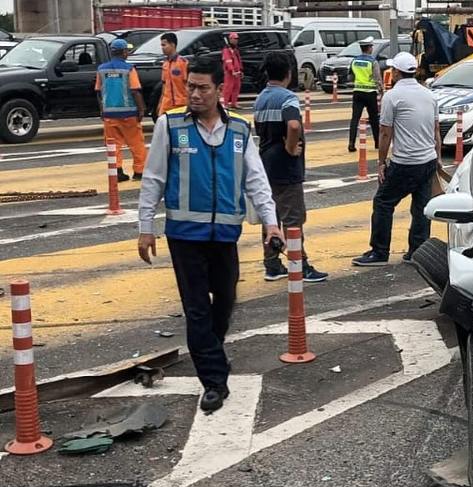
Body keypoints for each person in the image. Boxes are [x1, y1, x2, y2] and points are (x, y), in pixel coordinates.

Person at [137, 57, 283, 413]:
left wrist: (271, 221)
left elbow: (255, 179)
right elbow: (153, 177)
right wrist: (145, 227)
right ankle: (214, 380)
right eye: (191, 86)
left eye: (203, 88)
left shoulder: (238, 129)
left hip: (225, 233)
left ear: (220, 90)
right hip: (184, 234)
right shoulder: (169, 126)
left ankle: (211, 351)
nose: (195, 94)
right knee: (197, 309)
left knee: (227, 299)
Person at [352, 52, 440, 266]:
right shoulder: (429, 95)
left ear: (397, 73)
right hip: (427, 159)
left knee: (383, 202)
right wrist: (436, 160)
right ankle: (417, 251)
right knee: (421, 206)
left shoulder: (393, 97)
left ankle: (379, 251)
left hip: (405, 162)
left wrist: (381, 163)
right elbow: (435, 131)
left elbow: (385, 133)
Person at [253, 52, 329, 283]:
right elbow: (294, 125)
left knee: (271, 217)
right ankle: (300, 264)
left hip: (265, 163)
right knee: (293, 218)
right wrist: (289, 147)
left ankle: (272, 264)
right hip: (287, 167)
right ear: (288, 73)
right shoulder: (287, 97)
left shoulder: (261, 98)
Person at [95, 38, 147, 182]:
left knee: (113, 144)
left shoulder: (101, 69)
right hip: (129, 113)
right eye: (127, 51)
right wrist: (141, 109)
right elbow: (135, 91)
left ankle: (117, 171)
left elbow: (98, 92)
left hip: (109, 114)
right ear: (124, 52)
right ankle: (139, 171)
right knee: (136, 143)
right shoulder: (129, 69)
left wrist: (102, 110)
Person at [348, 37, 383, 153]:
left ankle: (351, 143)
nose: (372, 48)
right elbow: (377, 78)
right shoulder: (373, 62)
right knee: (374, 119)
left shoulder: (354, 61)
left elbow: (350, 76)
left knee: (355, 119)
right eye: (371, 46)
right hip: (370, 94)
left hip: (357, 92)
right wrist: (382, 90)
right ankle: (377, 143)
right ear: (369, 48)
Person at [158, 32, 189, 116]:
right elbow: (164, 85)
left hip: (181, 104)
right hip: (167, 104)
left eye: (164, 45)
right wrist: (160, 102)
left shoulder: (183, 63)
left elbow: (188, 84)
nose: (162, 48)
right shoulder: (165, 64)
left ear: (172, 45)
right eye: (161, 45)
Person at [222, 32, 243, 109]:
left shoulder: (235, 49)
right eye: (235, 39)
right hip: (230, 73)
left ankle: (234, 103)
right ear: (230, 39)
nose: (236, 40)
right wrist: (232, 70)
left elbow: (238, 59)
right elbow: (228, 61)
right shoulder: (226, 50)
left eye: (237, 39)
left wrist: (240, 69)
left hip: (237, 72)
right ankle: (225, 103)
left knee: (236, 87)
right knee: (228, 88)